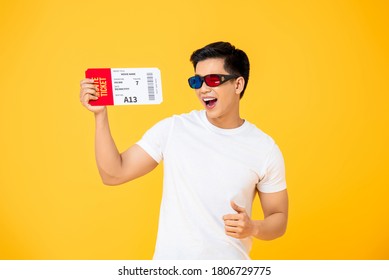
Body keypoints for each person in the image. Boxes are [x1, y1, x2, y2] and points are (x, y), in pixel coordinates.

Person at [79, 42, 288, 260]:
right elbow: (114, 173)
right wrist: (100, 115)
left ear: (238, 85)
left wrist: (253, 227)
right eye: (197, 81)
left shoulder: (264, 148)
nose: (203, 89)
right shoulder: (173, 129)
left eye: (213, 80)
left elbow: (278, 218)